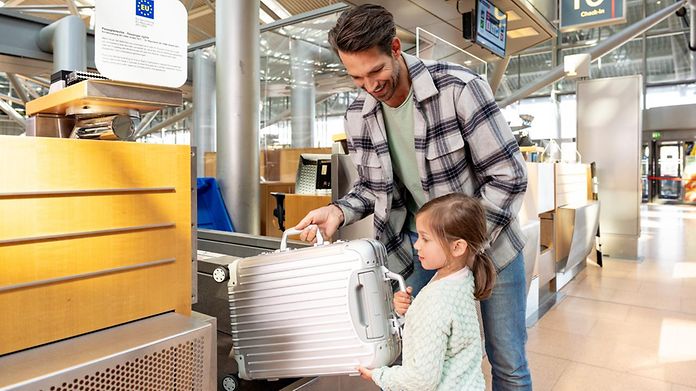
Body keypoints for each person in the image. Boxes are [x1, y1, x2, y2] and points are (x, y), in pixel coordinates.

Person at [293, 4, 531, 389]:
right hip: (422, 252)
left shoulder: (459, 88)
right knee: (420, 357)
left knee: (507, 361)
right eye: (357, 78)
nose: (371, 86)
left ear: (396, 48)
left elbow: (509, 176)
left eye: (376, 71)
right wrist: (338, 212)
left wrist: (464, 244)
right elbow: (372, 189)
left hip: (492, 247)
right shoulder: (358, 116)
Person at [357, 194, 495, 390]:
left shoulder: (436, 301)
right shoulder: (461, 279)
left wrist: (379, 375)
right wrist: (413, 308)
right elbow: (444, 327)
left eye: (425, 239)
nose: (416, 245)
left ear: (457, 247)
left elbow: (421, 379)